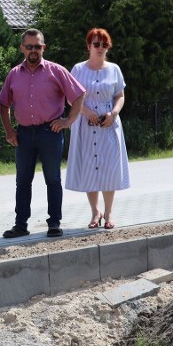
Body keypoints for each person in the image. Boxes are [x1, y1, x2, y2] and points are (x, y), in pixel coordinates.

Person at [0, 29, 86, 238]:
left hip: (50, 132)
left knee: (53, 179)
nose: (33, 50)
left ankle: (54, 223)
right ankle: (21, 225)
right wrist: (9, 131)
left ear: (43, 47)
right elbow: (3, 104)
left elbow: (80, 95)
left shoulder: (56, 71)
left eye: (37, 46)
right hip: (24, 135)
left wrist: (68, 121)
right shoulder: (13, 74)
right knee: (23, 180)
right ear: (22, 48)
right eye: (29, 47)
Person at [65, 28, 131, 229]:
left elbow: (119, 95)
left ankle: (109, 213)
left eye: (104, 44)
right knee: (89, 168)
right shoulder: (78, 69)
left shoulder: (114, 69)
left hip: (109, 123)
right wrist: (86, 111)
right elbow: (70, 97)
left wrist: (113, 114)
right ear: (88, 46)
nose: (100, 48)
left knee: (109, 168)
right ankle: (95, 212)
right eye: (96, 44)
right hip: (85, 123)